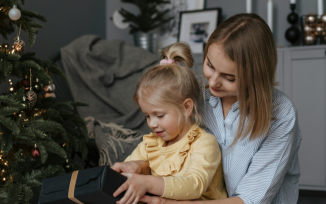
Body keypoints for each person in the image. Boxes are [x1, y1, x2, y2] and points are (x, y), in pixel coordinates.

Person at [115, 13, 302, 204]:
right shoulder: (196, 100)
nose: (212, 82)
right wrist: (139, 166)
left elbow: (251, 200)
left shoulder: (281, 114)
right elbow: (170, 153)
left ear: (256, 77)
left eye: (229, 78)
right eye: (209, 66)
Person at [111, 42, 228, 204]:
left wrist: (147, 182)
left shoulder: (205, 143)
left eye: (159, 115)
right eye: (147, 116)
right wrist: (131, 167)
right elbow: (128, 178)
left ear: (186, 107)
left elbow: (195, 185)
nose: (152, 123)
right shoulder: (150, 145)